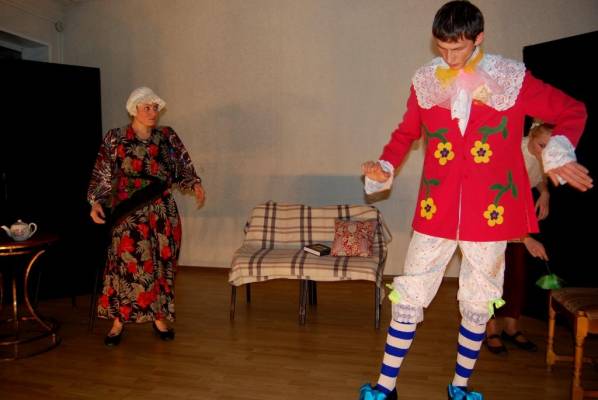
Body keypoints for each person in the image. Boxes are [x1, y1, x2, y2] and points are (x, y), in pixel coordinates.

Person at [359, 1, 592, 399]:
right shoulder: (426, 80)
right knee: (410, 292)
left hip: (490, 213)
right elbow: (405, 134)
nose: (449, 58)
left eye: (458, 48)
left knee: (478, 299)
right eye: (442, 48)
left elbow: (573, 110)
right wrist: (384, 166)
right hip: (436, 209)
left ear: (478, 37)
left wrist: (558, 152)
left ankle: (460, 387)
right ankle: (385, 387)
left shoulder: (511, 78)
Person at [87, 87, 205, 346]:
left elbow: (182, 165)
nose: (153, 112)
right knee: (126, 265)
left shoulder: (167, 136)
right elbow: (102, 171)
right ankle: (118, 321)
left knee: (162, 264)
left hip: (162, 212)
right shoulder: (115, 138)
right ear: (134, 109)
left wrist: (194, 183)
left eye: (155, 108)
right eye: (147, 108)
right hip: (128, 213)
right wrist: (95, 202)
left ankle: (159, 318)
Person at [485, 122, 552, 355]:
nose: (545, 152)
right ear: (531, 136)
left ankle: (511, 327)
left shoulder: (542, 155)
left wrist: (545, 192)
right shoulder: (512, 151)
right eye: (541, 145)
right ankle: (490, 329)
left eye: (550, 148)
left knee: (517, 276)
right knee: (492, 276)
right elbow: (502, 196)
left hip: (518, 217)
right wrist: (525, 238)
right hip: (495, 215)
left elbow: (537, 178)